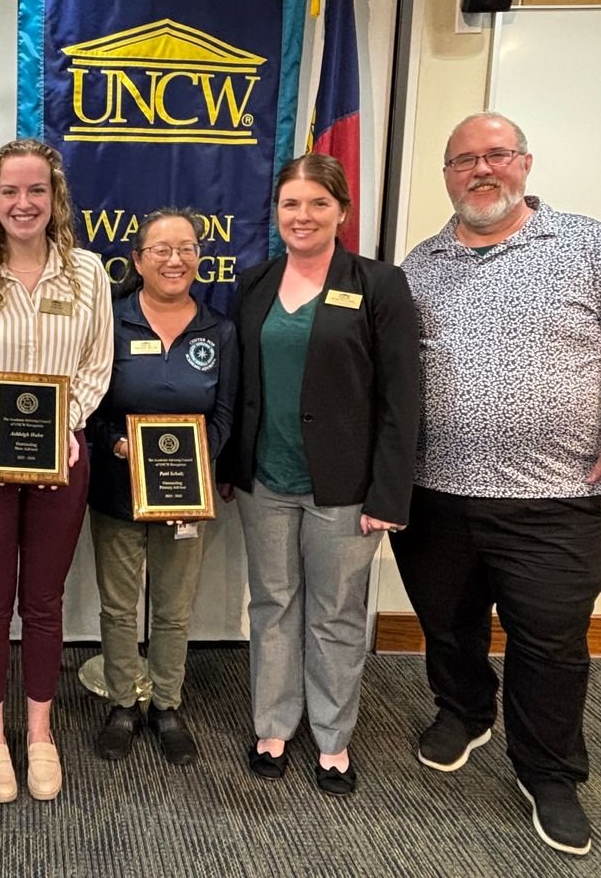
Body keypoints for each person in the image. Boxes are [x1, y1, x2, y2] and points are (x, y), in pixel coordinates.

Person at [393, 112, 601, 855]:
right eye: (464, 161)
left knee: (549, 643)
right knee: (447, 624)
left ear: (524, 163)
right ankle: (465, 713)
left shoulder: (588, 245)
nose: (481, 171)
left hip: (556, 495)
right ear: (448, 174)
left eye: (497, 156)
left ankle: (548, 772)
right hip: (437, 492)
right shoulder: (420, 264)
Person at [217, 153, 420, 797]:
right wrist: (226, 466)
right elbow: (237, 383)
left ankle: (334, 736)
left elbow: (401, 397)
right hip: (264, 481)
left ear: (342, 211)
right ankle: (273, 724)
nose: (302, 217)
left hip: (345, 489)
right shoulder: (253, 283)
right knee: (272, 604)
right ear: (276, 213)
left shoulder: (379, 285)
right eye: (290, 204)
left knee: (335, 613)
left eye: (317, 204)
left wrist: (389, 492)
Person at [0, 138, 114, 803]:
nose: (24, 202)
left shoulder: (89, 274)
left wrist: (69, 422)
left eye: (37, 190)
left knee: (43, 601)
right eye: (10, 191)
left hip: (62, 457)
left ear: (54, 199)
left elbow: (96, 367)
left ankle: (38, 731)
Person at [86, 209, 236, 767]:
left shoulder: (219, 330)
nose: (176, 260)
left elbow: (225, 413)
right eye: (162, 250)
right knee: (120, 607)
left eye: (187, 249)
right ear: (137, 260)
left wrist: (197, 463)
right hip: (118, 489)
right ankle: (123, 704)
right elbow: (92, 406)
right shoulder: (110, 321)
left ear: (200, 257)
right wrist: (119, 446)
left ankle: (167, 706)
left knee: (174, 609)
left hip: (184, 497)